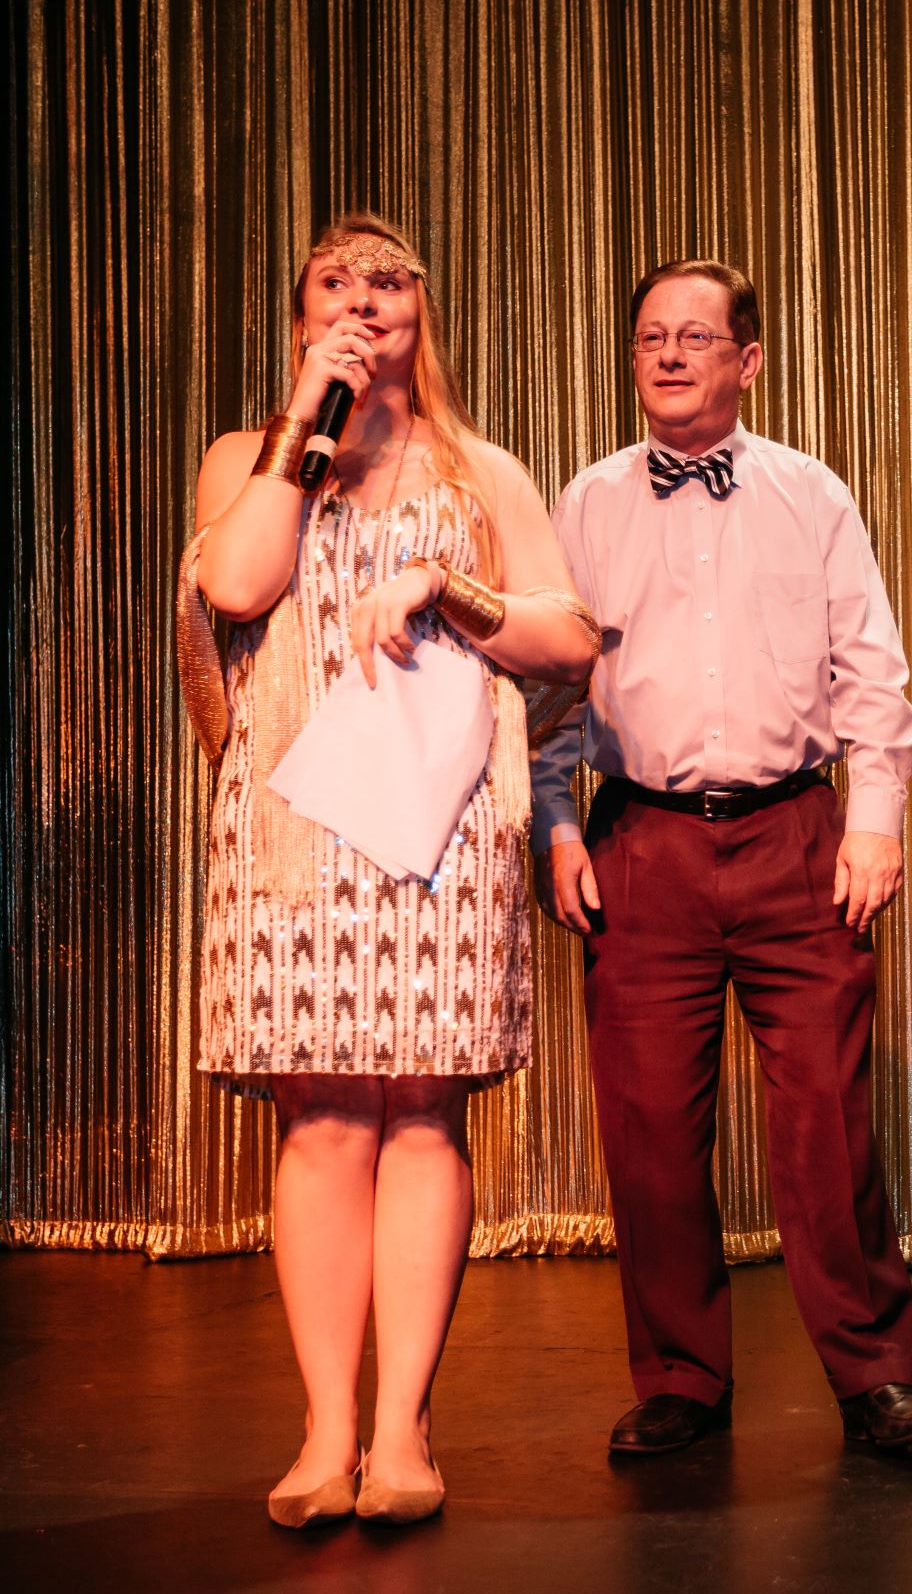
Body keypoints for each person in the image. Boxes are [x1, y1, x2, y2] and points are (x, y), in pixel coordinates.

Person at [178, 213, 598, 1527]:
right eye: (335, 283)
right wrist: (306, 419)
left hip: (438, 821)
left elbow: (569, 638)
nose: (363, 301)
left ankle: (405, 1426)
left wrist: (445, 585)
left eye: (389, 281)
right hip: (297, 822)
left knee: (421, 1109)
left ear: (426, 309)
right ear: (300, 315)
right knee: (319, 1116)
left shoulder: (483, 469)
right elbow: (238, 586)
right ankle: (324, 1430)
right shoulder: (248, 455)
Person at [530, 259, 912, 1455]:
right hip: (641, 838)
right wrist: (555, 822)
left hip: (795, 835)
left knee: (826, 1120)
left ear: (748, 361)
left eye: (695, 337)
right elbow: (550, 686)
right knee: (650, 1126)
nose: (669, 355)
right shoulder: (587, 501)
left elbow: (869, 665)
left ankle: (870, 1372)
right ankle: (680, 1374)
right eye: (650, 337)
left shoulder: (810, 493)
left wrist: (875, 817)